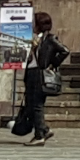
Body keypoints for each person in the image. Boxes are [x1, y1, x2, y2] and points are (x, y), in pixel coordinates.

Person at [11, 11, 66, 146]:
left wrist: (52, 64)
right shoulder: (34, 38)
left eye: (34, 23)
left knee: (37, 105)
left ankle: (40, 135)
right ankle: (43, 130)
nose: (32, 25)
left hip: (39, 74)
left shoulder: (49, 39)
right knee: (31, 104)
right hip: (31, 73)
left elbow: (65, 51)